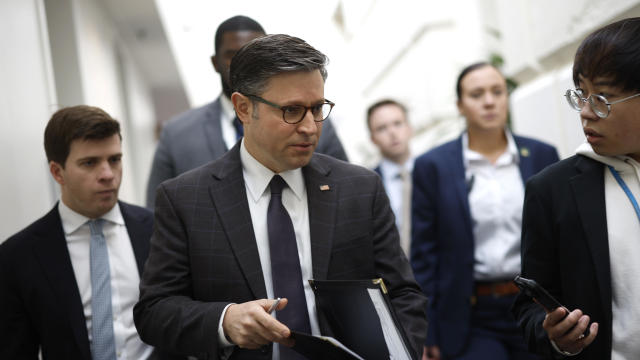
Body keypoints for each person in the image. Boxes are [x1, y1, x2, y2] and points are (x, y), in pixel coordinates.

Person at [134, 34, 428, 360]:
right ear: (244, 108)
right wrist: (224, 321)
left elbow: (403, 294)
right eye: (292, 111)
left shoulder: (359, 189)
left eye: (317, 108)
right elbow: (154, 312)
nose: (310, 127)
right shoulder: (186, 200)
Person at [411, 62, 559, 360]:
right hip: (470, 313)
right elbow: (425, 256)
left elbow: (561, 237)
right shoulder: (433, 166)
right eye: (477, 94)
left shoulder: (542, 154)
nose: (489, 101)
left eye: (497, 91)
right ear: (460, 106)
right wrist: (428, 330)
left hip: (536, 306)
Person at [512, 17, 640, 360]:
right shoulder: (553, 190)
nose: (585, 113)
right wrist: (554, 334)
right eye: (581, 95)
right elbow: (529, 307)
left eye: (601, 98)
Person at [0, 106, 157, 359]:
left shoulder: (157, 229)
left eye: (114, 160)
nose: (107, 175)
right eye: (90, 163)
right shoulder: (18, 256)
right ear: (57, 172)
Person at [146, 15, 348, 209]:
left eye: (256, 53)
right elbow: (159, 212)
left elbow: (345, 191)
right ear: (215, 63)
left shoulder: (315, 122)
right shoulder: (177, 134)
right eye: (233, 55)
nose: (245, 61)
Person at [368, 99, 414, 255]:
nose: (392, 133)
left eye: (398, 123)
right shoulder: (367, 185)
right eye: (382, 128)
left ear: (409, 128)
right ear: (372, 138)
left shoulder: (432, 172)